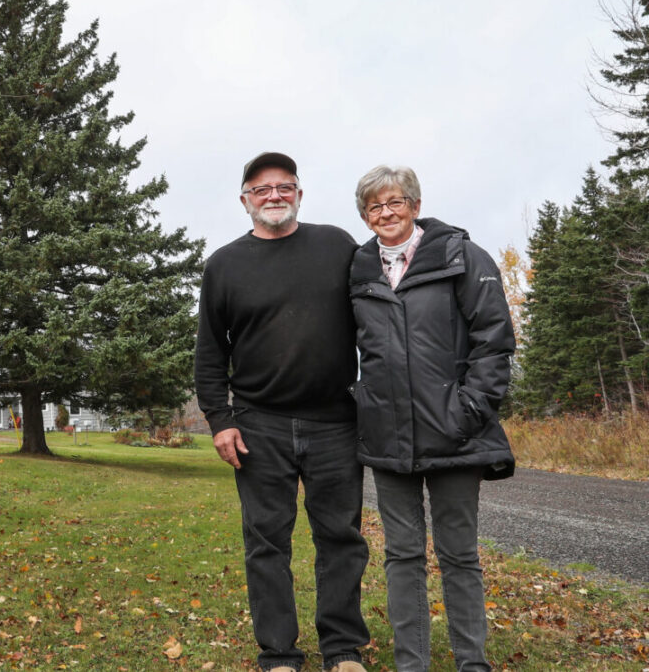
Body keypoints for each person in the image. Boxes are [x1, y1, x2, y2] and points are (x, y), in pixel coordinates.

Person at [195, 152, 370, 672]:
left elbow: (377, 313)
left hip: (336, 422)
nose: (274, 195)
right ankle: (278, 653)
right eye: (262, 188)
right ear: (245, 200)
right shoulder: (224, 265)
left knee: (341, 538)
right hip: (257, 425)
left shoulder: (336, 245)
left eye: (284, 186)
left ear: (299, 193)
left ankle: (342, 649)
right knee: (266, 543)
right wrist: (219, 420)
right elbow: (209, 353)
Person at [349, 165, 515, 672]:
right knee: (402, 557)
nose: (386, 212)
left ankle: (472, 662)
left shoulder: (461, 256)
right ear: (365, 215)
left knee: (460, 554)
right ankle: (412, 663)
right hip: (388, 440)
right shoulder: (358, 269)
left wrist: (467, 410)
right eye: (375, 206)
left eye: (395, 202)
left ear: (415, 206)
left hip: (456, 435)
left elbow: (494, 339)